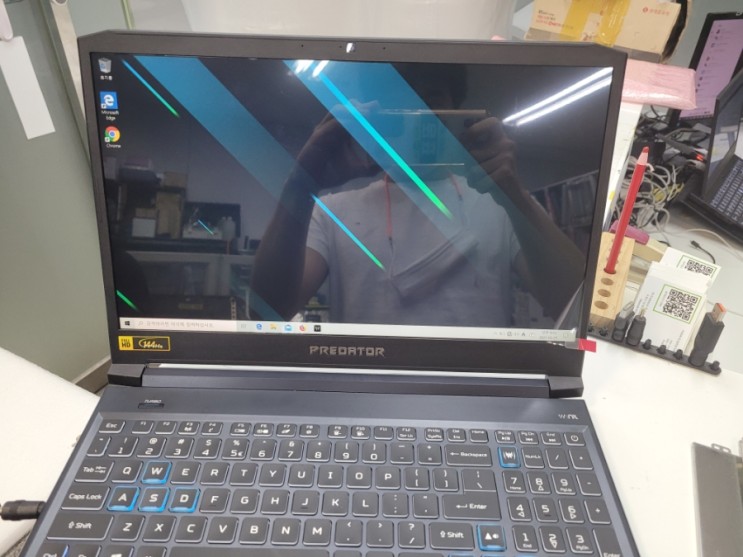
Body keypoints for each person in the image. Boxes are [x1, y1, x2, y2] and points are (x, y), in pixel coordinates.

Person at [250, 69, 584, 327]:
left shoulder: (502, 205)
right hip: (366, 392)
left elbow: (577, 309)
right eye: (399, 104)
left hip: (478, 392)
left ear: (456, 111)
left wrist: (514, 194)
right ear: (377, 118)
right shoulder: (333, 213)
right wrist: (302, 184)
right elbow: (266, 314)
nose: (418, 116)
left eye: (431, 101)